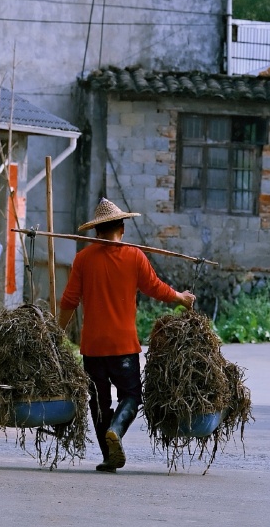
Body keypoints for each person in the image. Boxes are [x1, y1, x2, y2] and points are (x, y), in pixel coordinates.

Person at [58, 197, 195, 472]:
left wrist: (55, 333)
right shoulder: (134, 256)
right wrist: (180, 297)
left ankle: (109, 455)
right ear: (122, 227)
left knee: (98, 402)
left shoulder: (83, 259)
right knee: (131, 396)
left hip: (93, 348)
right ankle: (117, 431)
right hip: (123, 346)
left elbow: (68, 302)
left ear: (97, 232)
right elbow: (155, 287)